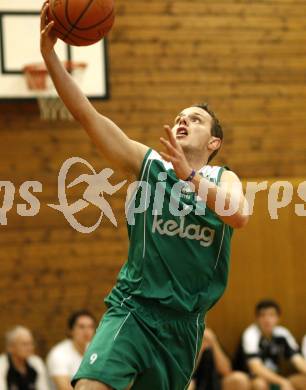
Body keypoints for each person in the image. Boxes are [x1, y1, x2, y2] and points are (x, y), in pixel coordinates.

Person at [40, 2, 249, 389]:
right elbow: (89, 116)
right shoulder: (148, 163)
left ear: (214, 141)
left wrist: (190, 178)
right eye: (180, 116)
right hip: (133, 309)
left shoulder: (225, 178)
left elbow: (238, 215)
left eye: (196, 119)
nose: (184, 120)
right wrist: (50, 56)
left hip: (184, 325)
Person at [235, 300, 306, 390]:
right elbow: (256, 368)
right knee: (260, 384)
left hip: (276, 375)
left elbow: (298, 360)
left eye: (271, 315)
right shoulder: (250, 334)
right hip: (252, 377)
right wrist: (282, 381)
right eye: (263, 315)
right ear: (256, 319)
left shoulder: (282, 333)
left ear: (278, 318)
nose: (267, 320)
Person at [46, 310, 96, 390]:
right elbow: (64, 387)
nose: (87, 331)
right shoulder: (58, 354)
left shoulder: (95, 351)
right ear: (71, 331)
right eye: (81, 327)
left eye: (90, 327)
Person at [0, 325, 49, 390]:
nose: (30, 348)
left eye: (31, 343)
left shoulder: (36, 363)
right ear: (11, 347)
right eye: (24, 344)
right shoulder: (2, 365)